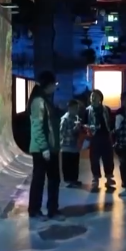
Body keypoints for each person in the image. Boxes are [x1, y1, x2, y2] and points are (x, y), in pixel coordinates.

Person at [27, 71, 64, 220]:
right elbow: (37, 127)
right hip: (42, 149)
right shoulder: (38, 101)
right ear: (48, 85)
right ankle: (35, 210)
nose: (55, 87)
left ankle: (52, 209)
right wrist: (44, 148)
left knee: (54, 179)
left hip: (51, 147)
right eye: (54, 84)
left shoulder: (45, 100)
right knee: (40, 180)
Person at [84, 89, 115, 192]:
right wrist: (90, 127)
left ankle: (109, 179)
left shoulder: (106, 109)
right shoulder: (87, 110)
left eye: (95, 96)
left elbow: (111, 122)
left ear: (100, 98)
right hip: (94, 137)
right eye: (92, 96)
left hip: (106, 137)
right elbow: (84, 123)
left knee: (108, 159)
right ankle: (95, 180)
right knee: (94, 159)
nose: (93, 98)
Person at [59, 99, 84, 188]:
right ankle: (68, 181)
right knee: (67, 164)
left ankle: (74, 180)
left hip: (75, 146)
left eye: (77, 108)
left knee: (75, 164)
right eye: (74, 108)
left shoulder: (77, 118)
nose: (76, 110)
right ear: (69, 108)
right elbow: (62, 132)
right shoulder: (65, 119)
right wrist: (74, 129)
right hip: (67, 146)